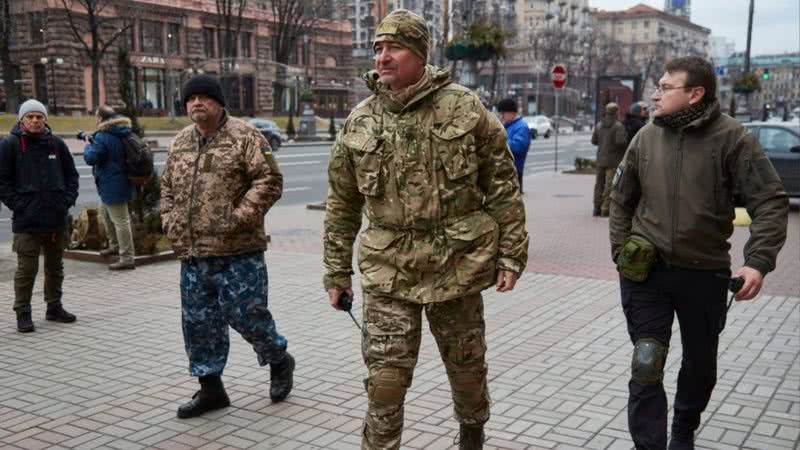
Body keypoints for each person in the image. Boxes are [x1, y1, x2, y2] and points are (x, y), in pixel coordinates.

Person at [323, 9, 528, 450]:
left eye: (393, 47)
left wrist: (511, 254)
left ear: (419, 52)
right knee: (385, 383)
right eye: (378, 48)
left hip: (459, 267)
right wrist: (336, 273)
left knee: (467, 372)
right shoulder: (360, 120)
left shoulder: (465, 107)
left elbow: (502, 188)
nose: (382, 56)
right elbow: (342, 204)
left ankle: (472, 434)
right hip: (387, 271)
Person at [609, 56, 789, 450]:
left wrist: (758, 261)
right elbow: (620, 200)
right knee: (646, 359)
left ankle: (684, 430)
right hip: (647, 273)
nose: (655, 95)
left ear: (695, 94)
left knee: (700, 364)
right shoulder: (646, 138)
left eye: (665, 87)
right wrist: (621, 252)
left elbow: (771, 202)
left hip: (704, 273)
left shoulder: (732, 138)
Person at [160, 74, 295, 419]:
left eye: (204, 97)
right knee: (198, 324)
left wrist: (240, 217)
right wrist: (170, 221)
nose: (197, 104)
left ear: (219, 103)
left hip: (239, 252)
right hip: (193, 254)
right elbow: (167, 189)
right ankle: (211, 389)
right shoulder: (179, 143)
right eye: (191, 99)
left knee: (248, 315)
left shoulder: (245, 136)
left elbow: (270, 180)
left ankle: (279, 359)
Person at [0, 99, 80, 332]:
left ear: (45, 119)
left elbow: (71, 176)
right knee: (27, 270)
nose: (35, 120)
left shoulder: (56, 144)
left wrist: (65, 202)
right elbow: (3, 182)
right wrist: (19, 205)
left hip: (56, 218)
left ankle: (54, 306)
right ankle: (23, 313)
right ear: (22, 120)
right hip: (27, 221)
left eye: (39, 116)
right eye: (30, 117)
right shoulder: (10, 144)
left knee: (55, 267)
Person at [82, 105, 136, 270]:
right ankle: (114, 245)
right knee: (105, 213)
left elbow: (92, 157)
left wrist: (87, 145)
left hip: (113, 183)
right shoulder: (120, 131)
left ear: (100, 118)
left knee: (121, 221)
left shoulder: (104, 135)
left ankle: (127, 258)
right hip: (119, 180)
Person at [591, 102, 627, 217]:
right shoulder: (618, 126)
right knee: (610, 185)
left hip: (601, 159)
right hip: (613, 160)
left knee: (599, 185)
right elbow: (620, 142)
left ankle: (596, 208)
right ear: (616, 112)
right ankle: (605, 209)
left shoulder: (599, 125)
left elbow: (594, 141)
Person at [497, 98, 531, 194]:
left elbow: (519, 146)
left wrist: (500, 141)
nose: (501, 116)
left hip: (514, 170)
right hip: (505, 169)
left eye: (503, 113)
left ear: (511, 113)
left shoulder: (521, 126)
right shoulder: (508, 125)